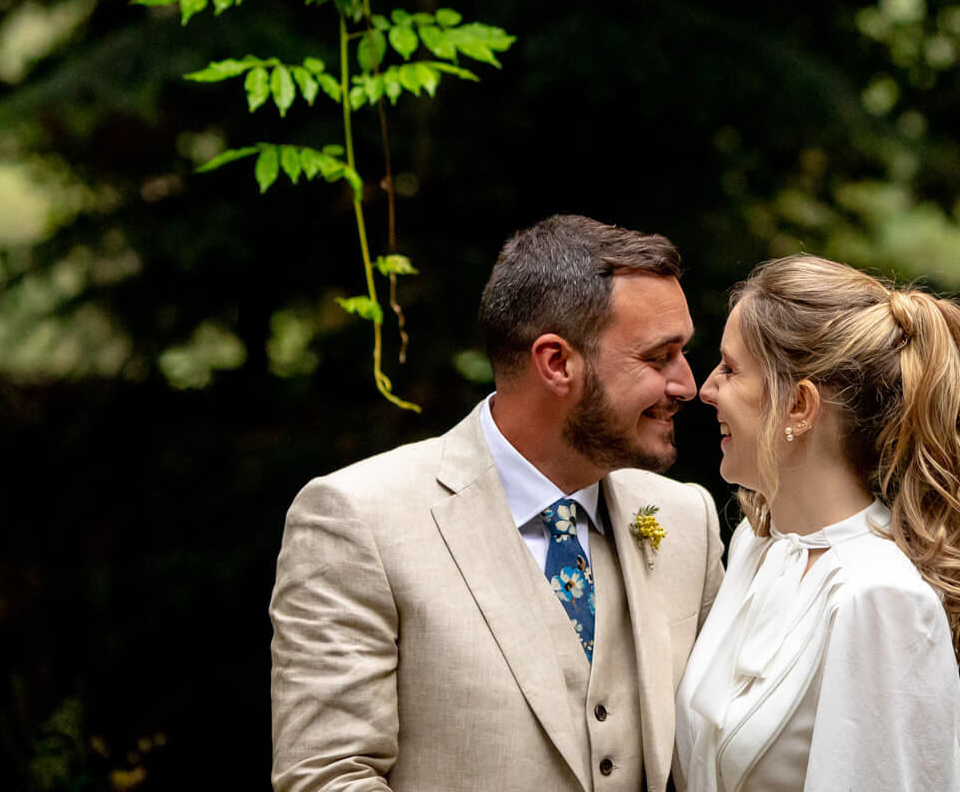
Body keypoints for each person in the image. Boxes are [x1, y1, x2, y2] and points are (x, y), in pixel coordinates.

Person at [271, 214, 726, 792]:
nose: (688, 385)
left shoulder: (685, 518)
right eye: (659, 358)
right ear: (556, 363)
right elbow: (328, 777)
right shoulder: (358, 519)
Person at [676, 255, 960, 792]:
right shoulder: (756, 544)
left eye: (729, 369)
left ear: (799, 405)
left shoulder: (880, 595)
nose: (705, 389)